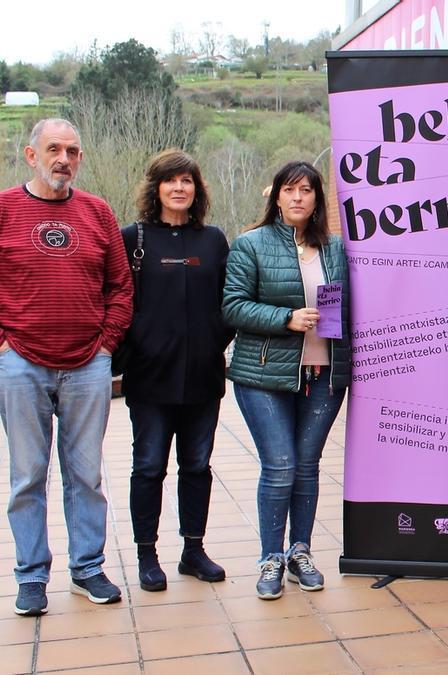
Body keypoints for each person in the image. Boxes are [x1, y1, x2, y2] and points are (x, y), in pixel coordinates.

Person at [0, 118, 133, 615]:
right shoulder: (5, 209)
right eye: (54, 149)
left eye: (73, 151)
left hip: (87, 365)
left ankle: (87, 569)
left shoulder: (98, 212)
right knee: (27, 476)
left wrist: (106, 344)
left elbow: (120, 287)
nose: (64, 159)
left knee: (86, 474)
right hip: (21, 365)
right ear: (31, 155)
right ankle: (31, 576)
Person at [223, 161, 351, 601]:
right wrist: (285, 318)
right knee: (280, 468)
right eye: (290, 189)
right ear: (275, 196)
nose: (298, 197)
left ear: (318, 199)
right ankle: (270, 558)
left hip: (323, 376)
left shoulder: (335, 249)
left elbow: (346, 308)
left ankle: (301, 552)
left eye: (307, 190)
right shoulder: (250, 245)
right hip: (263, 376)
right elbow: (233, 306)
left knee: (307, 466)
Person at [122, 150, 234, 592]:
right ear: (156, 187)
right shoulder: (133, 238)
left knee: (197, 466)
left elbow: (229, 302)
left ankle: (193, 550)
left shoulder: (213, 240)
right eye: (171, 181)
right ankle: (147, 554)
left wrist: (211, 343)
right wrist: (140, 347)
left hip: (204, 377)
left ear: (197, 188)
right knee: (149, 467)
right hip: (150, 378)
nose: (180, 188)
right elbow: (120, 301)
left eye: (187, 180)